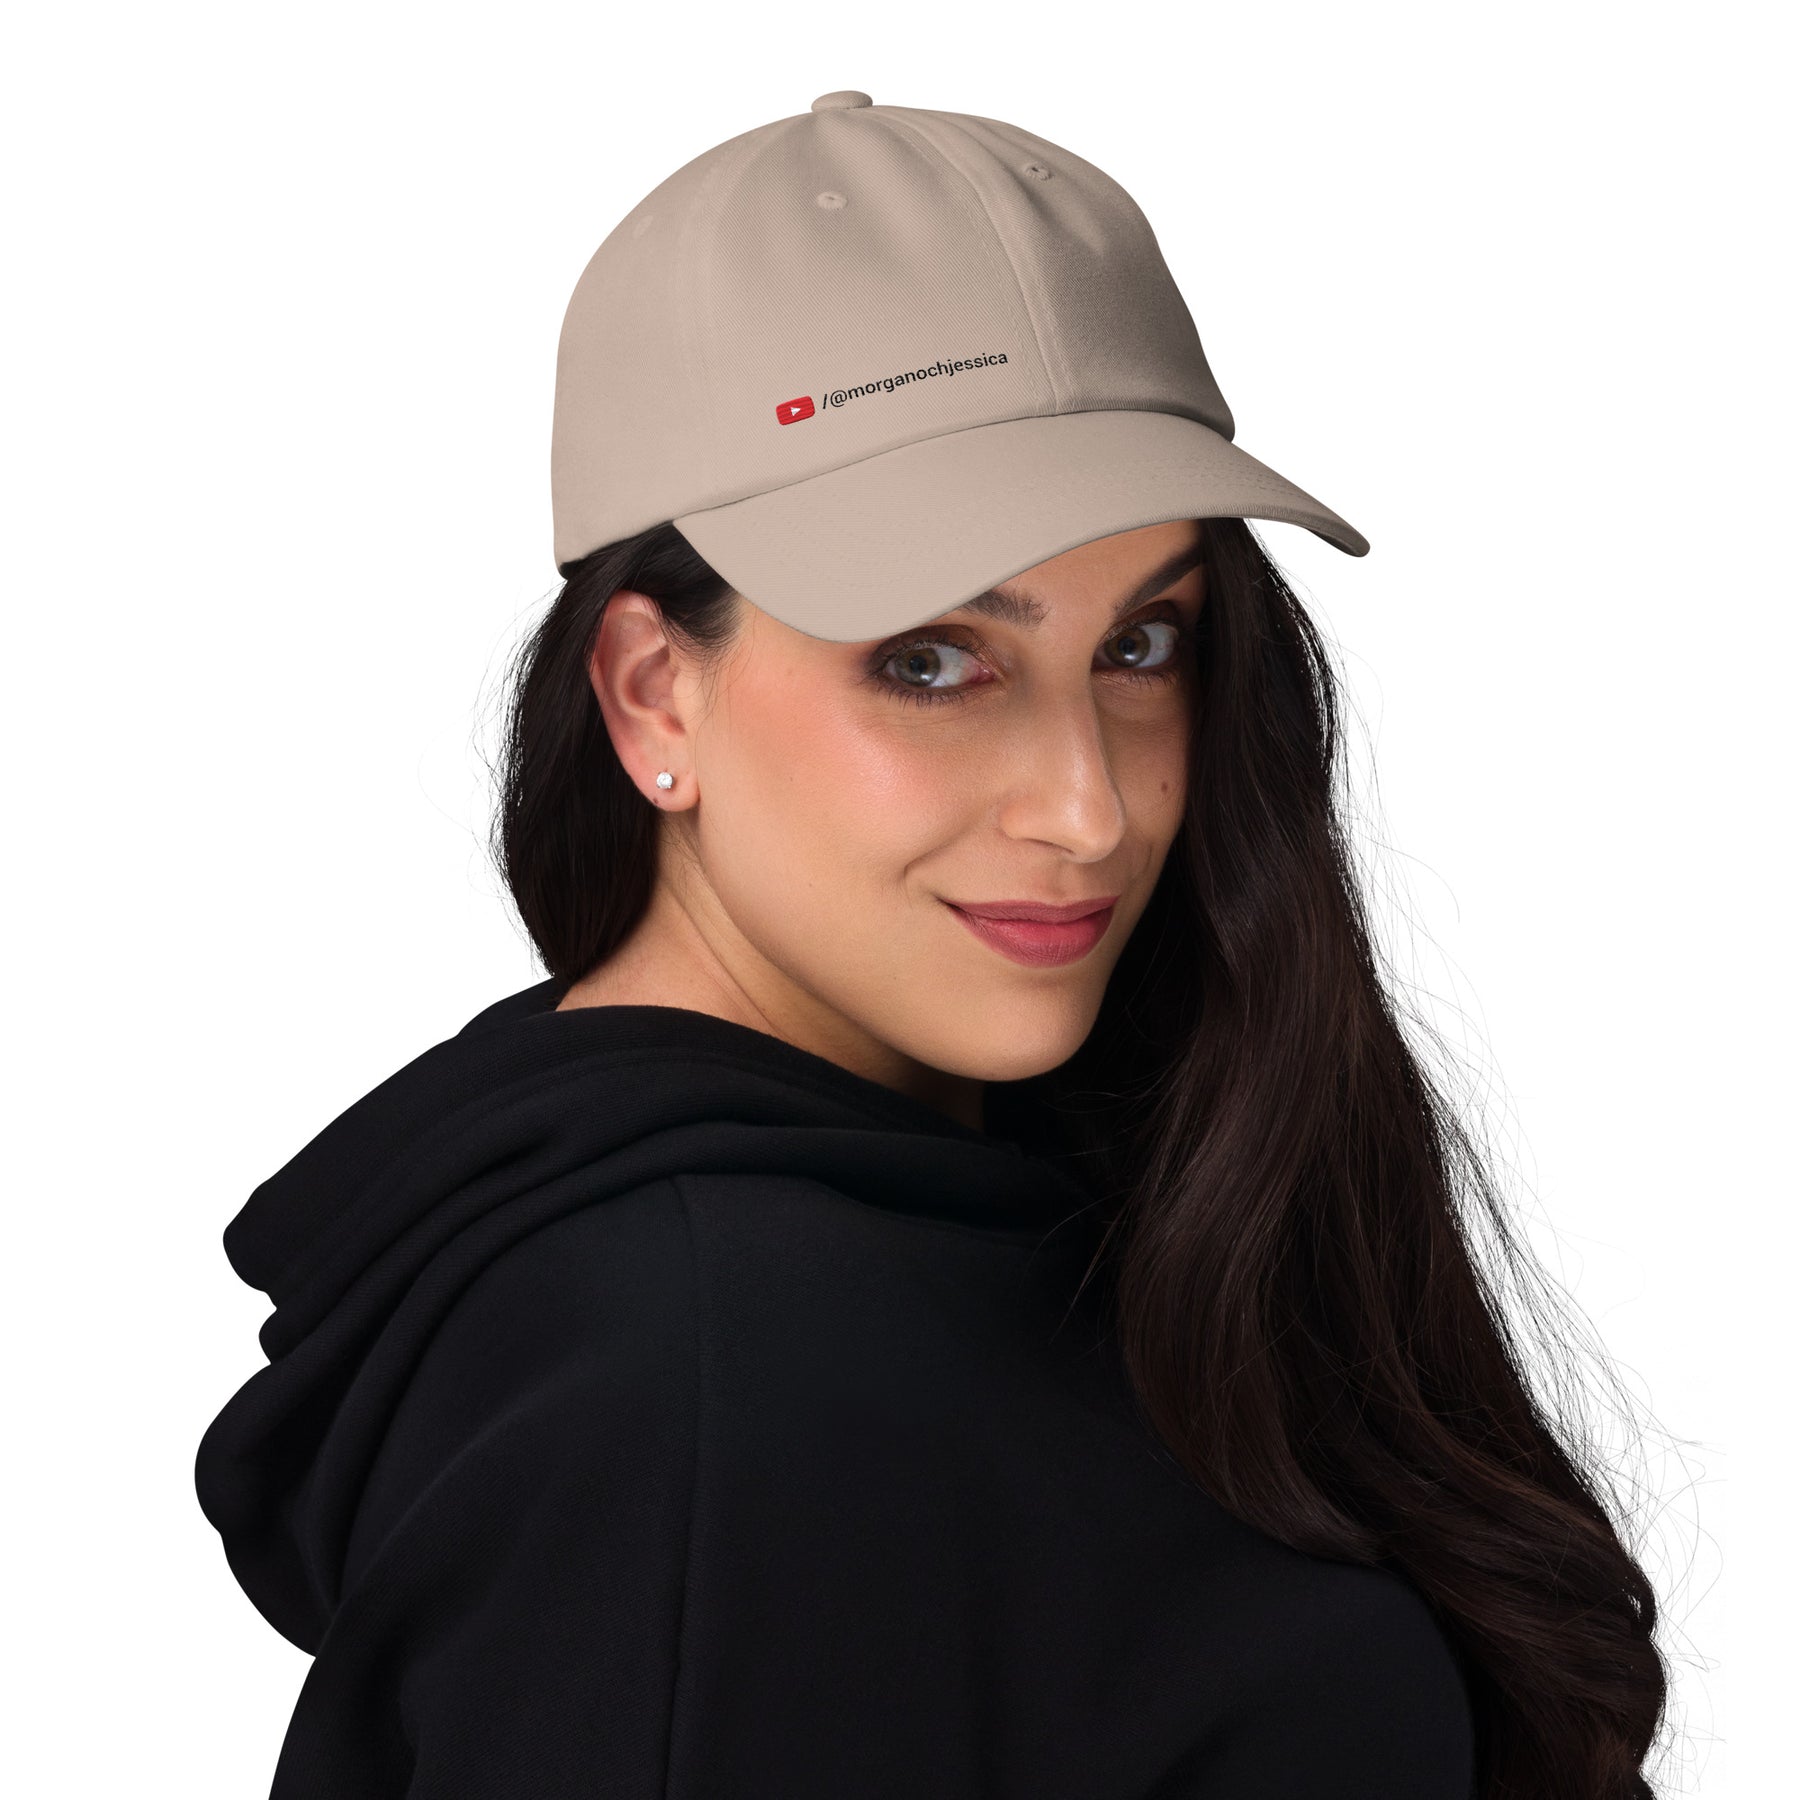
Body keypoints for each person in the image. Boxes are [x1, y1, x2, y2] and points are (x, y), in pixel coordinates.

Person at [194, 90, 1669, 1798]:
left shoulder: (1087, 1183)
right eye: (934, 660)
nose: (1089, 808)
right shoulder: (705, 1373)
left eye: (1143, 643)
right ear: (654, 694)